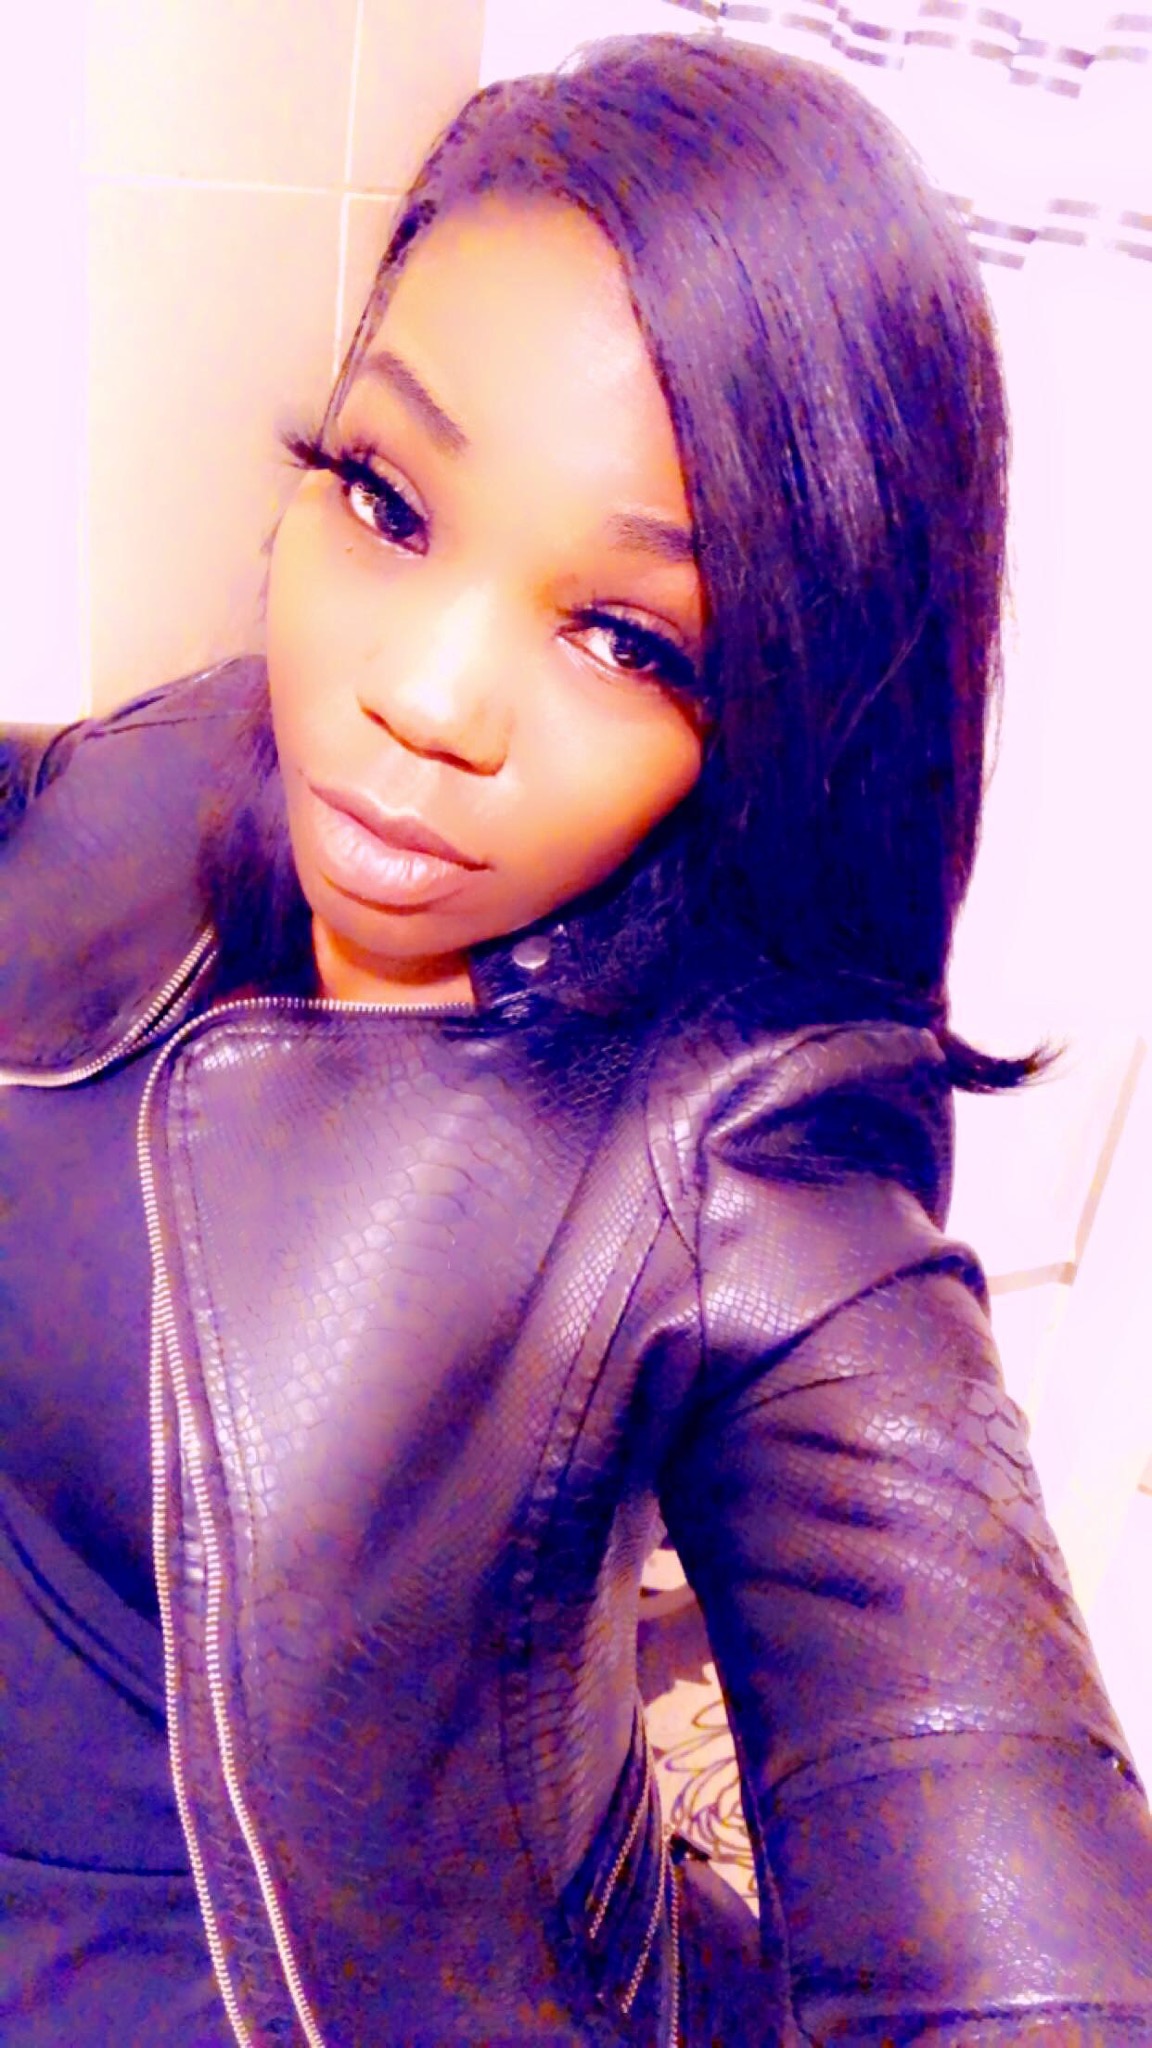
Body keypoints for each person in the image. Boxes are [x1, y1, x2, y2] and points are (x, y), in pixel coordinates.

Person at [2, 30, 1150, 2047]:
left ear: (776, 703)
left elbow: (1029, 1964)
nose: (423, 696)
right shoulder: (173, 764)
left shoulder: (751, 1161)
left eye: (627, 636)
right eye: (388, 498)